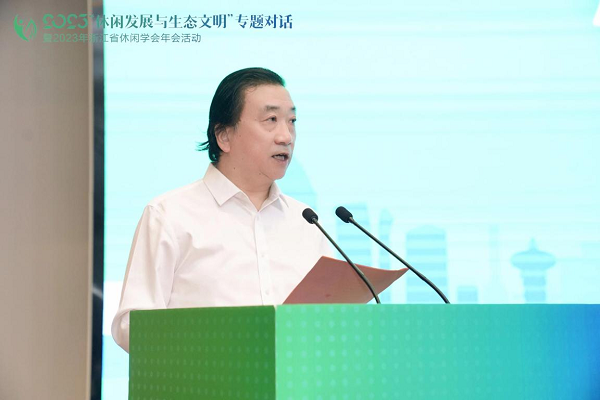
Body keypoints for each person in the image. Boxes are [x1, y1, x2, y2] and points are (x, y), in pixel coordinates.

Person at [111, 67, 331, 352]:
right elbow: (131, 327)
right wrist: (212, 344)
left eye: (292, 121)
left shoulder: (307, 222)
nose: (286, 136)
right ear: (224, 136)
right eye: (271, 120)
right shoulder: (169, 215)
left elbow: (330, 320)